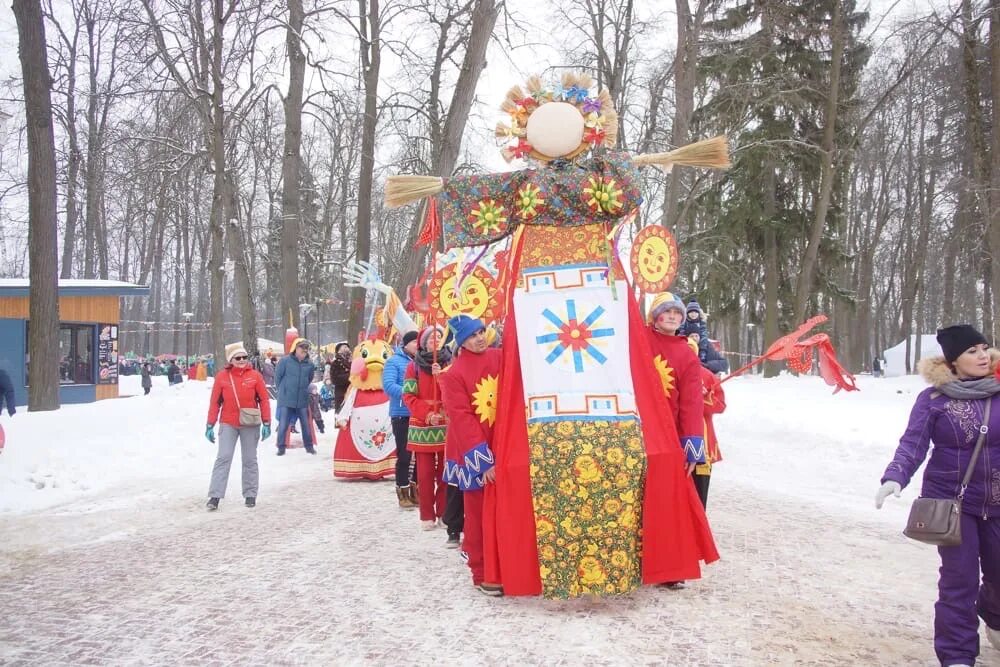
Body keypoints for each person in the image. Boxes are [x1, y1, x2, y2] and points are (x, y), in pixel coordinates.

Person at [876, 324, 1000, 667]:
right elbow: (913, 444)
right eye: (972, 351)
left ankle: (993, 614)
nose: (982, 356)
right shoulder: (934, 400)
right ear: (953, 361)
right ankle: (957, 655)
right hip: (952, 505)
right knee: (958, 581)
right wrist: (895, 477)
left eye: (984, 348)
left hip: (998, 502)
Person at [645, 291, 709, 589]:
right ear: (654, 316)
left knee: (671, 502)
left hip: (669, 437)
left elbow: (692, 403)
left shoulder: (686, 354)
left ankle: (671, 568)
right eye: (665, 311)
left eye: (676, 313)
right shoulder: (639, 342)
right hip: (636, 432)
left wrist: (691, 443)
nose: (672, 316)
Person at [439, 315, 503, 595]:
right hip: (475, 451)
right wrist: (483, 461)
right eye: (471, 335)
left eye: (481, 332)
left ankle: (507, 565)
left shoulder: (500, 358)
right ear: (460, 341)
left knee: (505, 511)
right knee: (477, 513)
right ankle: (482, 571)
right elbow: (462, 419)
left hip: (503, 444)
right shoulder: (452, 374)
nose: (479, 338)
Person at [204, 343, 272, 510]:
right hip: (228, 422)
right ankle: (215, 496)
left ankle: (250, 494)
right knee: (223, 457)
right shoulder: (222, 377)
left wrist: (267, 422)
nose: (242, 360)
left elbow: (264, 399)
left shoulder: (255, 376)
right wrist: (210, 424)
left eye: (244, 357)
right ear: (231, 360)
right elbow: (215, 402)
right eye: (238, 358)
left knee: (249, 459)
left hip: (250, 423)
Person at [403, 325, 452, 530]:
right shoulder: (413, 367)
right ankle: (426, 515)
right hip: (422, 425)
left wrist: (441, 376)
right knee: (424, 474)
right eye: (431, 337)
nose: (435, 340)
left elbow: (453, 390)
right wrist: (426, 413)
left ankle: (443, 512)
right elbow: (408, 396)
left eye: (439, 337)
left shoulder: (449, 362)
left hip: (444, 424)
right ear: (424, 343)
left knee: (444, 473)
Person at [275, 338, 317, 455]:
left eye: (306, 348)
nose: (304, 350)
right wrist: (283, 391)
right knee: (283, 423)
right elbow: (277, 378)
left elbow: (309, 379)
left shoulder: (310, 364)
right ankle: (281, 447)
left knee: (306, 424)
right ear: (296, 348)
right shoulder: (285, 361)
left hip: (302, 399)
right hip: (286, 398)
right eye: (302, 347)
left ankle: (309, 447)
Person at [328, 342, 352, 413]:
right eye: (344, 347)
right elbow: (335, 379)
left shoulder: (352, 361)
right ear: (338, 351)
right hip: (341, 394)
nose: (346, 348)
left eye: (347, 347)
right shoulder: (335, 363)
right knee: (341, 416)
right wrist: (350, 376)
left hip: (352, 393)